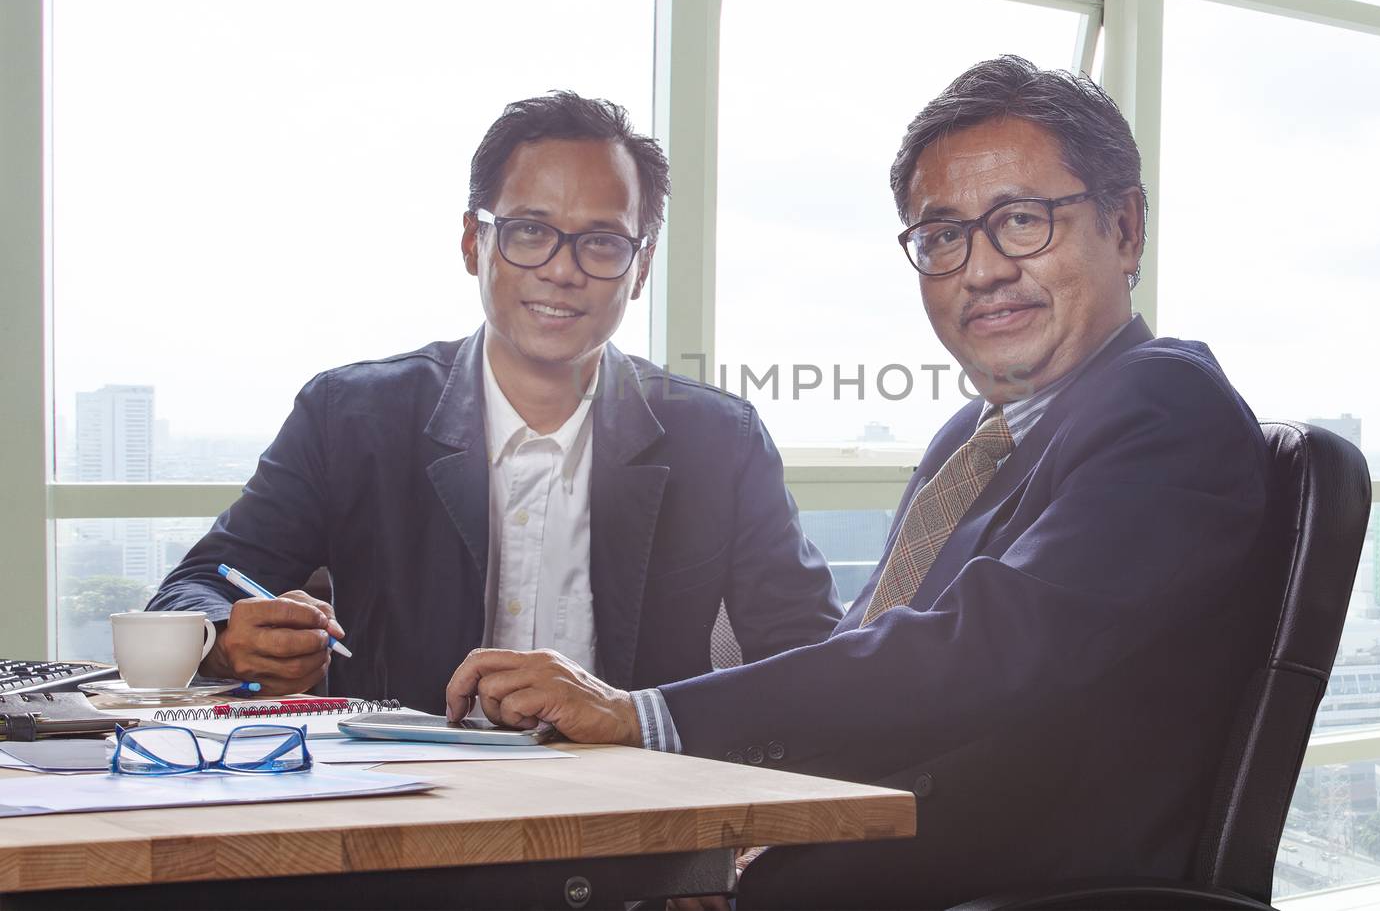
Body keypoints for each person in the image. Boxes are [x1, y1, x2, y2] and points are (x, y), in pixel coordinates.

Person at [443, 58, 1276, 907]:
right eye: (944, 235)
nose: (980, 269)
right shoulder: (974, 439)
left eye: (1022, 220)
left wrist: (649, 716)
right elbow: (862, 658)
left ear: (1126, 227)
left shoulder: (1167, 408)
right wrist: (725, 848)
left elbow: (977, 652)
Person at [150, 91, 841, 707]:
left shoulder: (720, 439)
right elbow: (194, 589)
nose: (563, 270)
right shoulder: (349, 417)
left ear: (640, 269)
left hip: (639, 817)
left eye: (602, 242)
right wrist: (220, 642)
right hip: (401, 818)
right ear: (473, 243)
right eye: (530, 232)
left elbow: (812, 653)